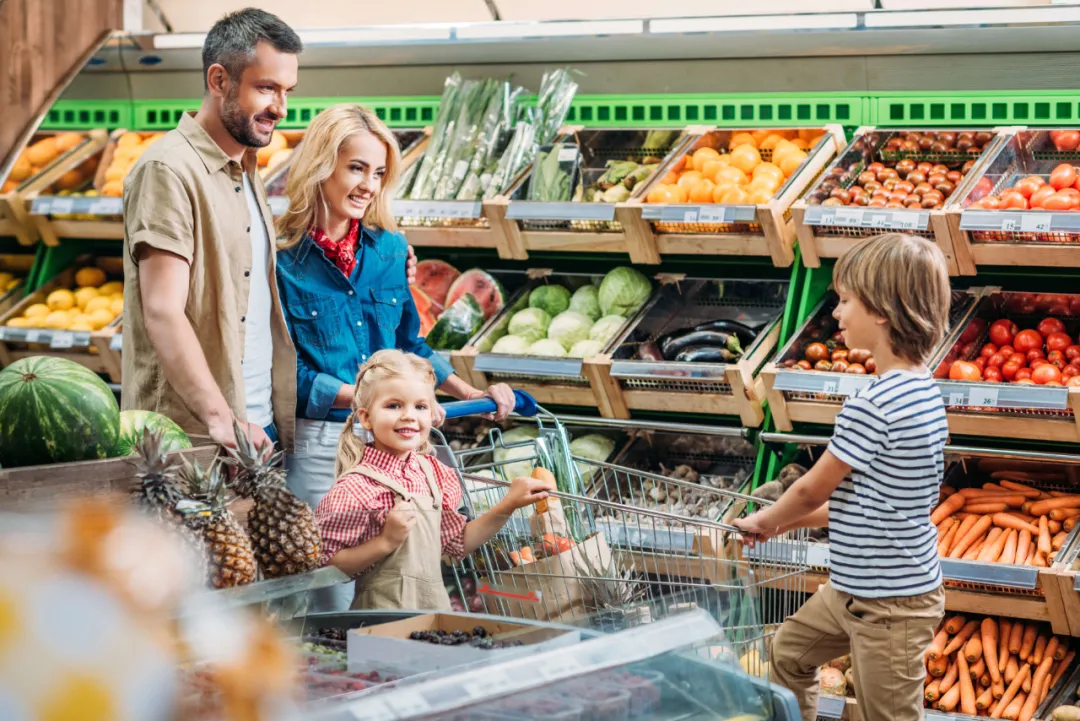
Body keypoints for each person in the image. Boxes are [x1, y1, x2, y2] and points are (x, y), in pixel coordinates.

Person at [120, 9, 418, 451]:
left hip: (257, 426)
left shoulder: (244, 171)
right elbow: (163, 310)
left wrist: (379, 261)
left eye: (286, 91)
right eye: (266, 88)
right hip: (193, 436)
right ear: (219, 80)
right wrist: (222, 419)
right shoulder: (169, 169)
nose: (280, 107)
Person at [733, 233, 951, 721]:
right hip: (853, 592)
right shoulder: (923, 392)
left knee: (888, 715)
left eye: (845, 300)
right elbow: (869, 503)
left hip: (889, 606)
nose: (835, 313)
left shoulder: (873, 403)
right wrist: (785, 526)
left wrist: (767, 517)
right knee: (788, 653)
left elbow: (811, 486)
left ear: (882, 311)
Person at [275, 103, 515, 513]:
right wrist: (377, 401)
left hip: (394, 444)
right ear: (320, 166)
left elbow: (409, 345)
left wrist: (469, 391)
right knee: (334, 574)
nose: (369, 184)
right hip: (322, 446)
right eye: (356, 168)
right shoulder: (279, 259)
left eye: (379, 173)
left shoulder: (390, 249)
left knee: (395, 571)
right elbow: (283, 371)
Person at [315, 350, 553, 610]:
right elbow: (328, 565)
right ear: (366, 417)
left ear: (432, 415)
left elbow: (458, 543)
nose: (408, 415)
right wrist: (385, 542)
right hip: (381, 626)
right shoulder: (356, 488)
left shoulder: (434, 473)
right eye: (393, 405)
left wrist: (508, 505)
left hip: (434, 618)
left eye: (420, 406)